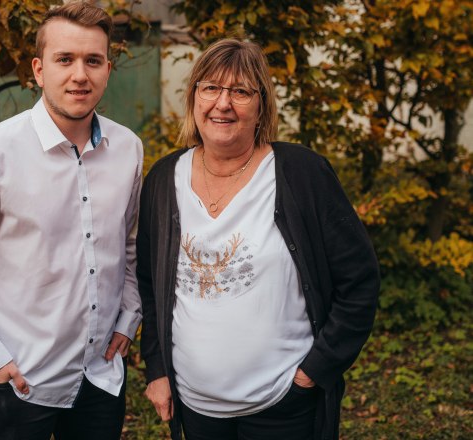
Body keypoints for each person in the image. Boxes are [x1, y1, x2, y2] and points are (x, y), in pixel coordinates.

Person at [137, 38, 380, 440]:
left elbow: (360, 282)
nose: (223, 103)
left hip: (284, 407)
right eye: (210, 88)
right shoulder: (164, 180)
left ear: (262, 104)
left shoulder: (301, 174)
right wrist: (157, 368)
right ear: (194, 97)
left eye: (240, 91)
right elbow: (149, 285)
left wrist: (313, 374)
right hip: (196, 409)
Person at [0, 2, 142, 439]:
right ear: (39, 70)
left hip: (101, 377)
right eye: (65, 59)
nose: (80, 74)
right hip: (20, 381)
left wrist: (129, 317)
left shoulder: (128, 148)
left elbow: (130, 243)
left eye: (92, 60)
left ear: (107, 69)